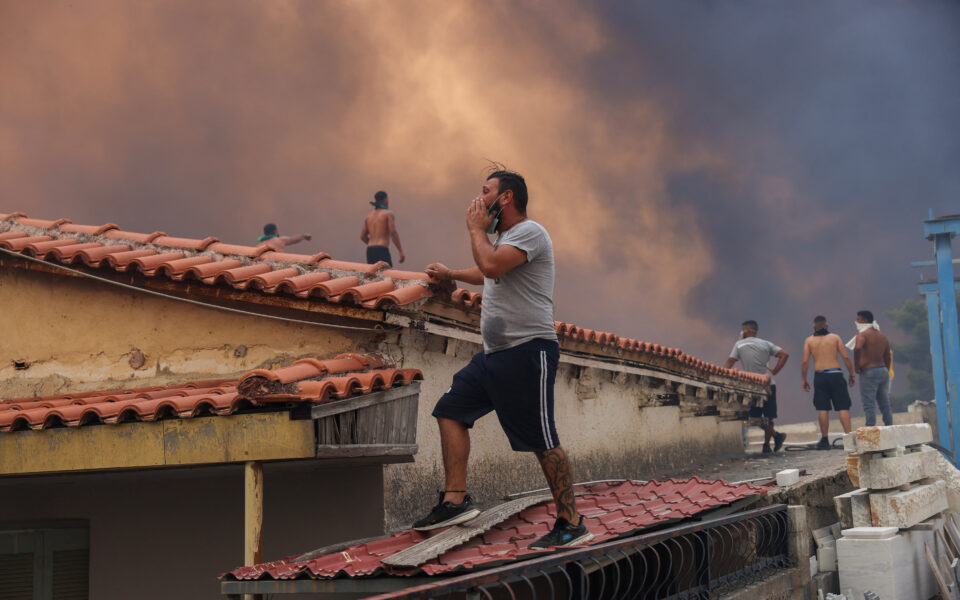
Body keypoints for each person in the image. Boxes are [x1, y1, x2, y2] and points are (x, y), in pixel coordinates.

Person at [419, 168, 592, 549]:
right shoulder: (504, 241)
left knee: (542, 440)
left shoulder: (531, 232)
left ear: (507, 197)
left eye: (486, 192)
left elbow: (493, 265)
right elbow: (488, 269)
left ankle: (571, 521)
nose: (478, 201)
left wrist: (475, 230)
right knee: (450, 410)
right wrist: (452, 274)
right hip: (494, 357)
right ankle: (455, 500)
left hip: (528, 352)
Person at [723, 320, 789, 454]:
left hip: (752, 386)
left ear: (746, 330)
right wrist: (775, 370)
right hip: (769, 384)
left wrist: (724, 376)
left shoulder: (739, 344)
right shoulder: (766, 344)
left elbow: (730, 361)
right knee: (768, 417)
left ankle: (772, 441)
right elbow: (784, 355)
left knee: (754, 418)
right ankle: (772, 440)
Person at [801, 315, 855, 450]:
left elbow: (805, 361)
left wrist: (804, 379)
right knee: (843, 407)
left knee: (823, 408)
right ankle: (849, 439)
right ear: (827, 326)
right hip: (836, 374)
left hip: (820, 376)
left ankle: (824, 440)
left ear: (814, 327)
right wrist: (851, 374)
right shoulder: (835, 338)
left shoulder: (809, 340)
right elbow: (846, 357)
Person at [853, 310, 893, 426]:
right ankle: (890, 428)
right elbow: (887, 355)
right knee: (885, 404)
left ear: (864, 320)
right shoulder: (882, 336)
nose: (856, 322)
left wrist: (857, 365)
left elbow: (857, 348)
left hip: (869, 371)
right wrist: (886, 369)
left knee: (869, 405)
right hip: (883, 370)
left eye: (858, 320)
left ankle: (870, 431)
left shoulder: (862, 335)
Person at [361, 191, 405, 266]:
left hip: (370, 250)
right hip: (382, 248)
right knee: (387, 275)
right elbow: (393, 232)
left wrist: (373, 245)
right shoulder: (388, 214)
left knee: (373, 275)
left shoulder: (369, 216)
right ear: (385, 199)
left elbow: (363, 236)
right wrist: (400, 251)